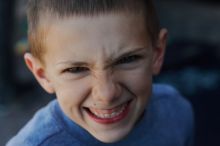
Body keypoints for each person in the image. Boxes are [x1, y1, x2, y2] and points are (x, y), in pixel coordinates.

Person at [6, 0, 194, 145]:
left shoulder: (176, 112)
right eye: (76, 69)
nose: (107, 94)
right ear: (42, 74)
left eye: (127, 59)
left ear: (157, 53)